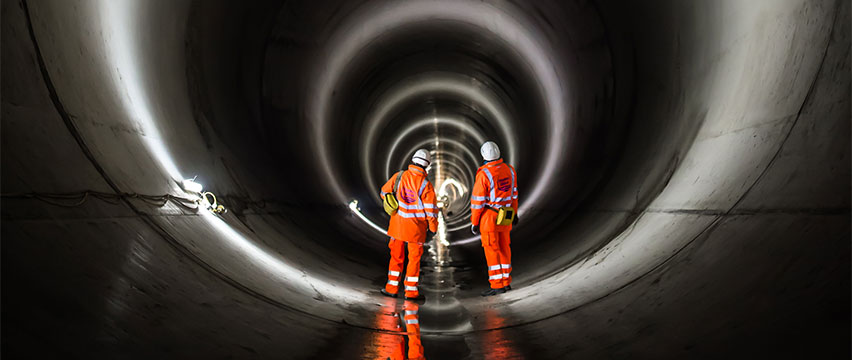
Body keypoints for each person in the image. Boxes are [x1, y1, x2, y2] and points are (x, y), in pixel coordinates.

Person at [380, 149, 439, 300]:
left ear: (413, 159)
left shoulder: (399, 176)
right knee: (414, 260)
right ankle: (411, 292)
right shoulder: (426, 185)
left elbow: (384, 192)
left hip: (397, 226)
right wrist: (433, 228)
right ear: (427, 165)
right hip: (416, 230)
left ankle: (391, 288)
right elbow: (431, 211)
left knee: (396, 258)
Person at [470, 141, 518, 296]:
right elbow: (514, 195)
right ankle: (506, 282)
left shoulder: (484, 174)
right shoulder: (510, 170)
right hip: (505, 214)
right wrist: (514, 213)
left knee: (492, 249)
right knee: (505, 247)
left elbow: (478, 202)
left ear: (483, 155)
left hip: (489, 216)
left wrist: (475, 222)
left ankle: (497, 285)